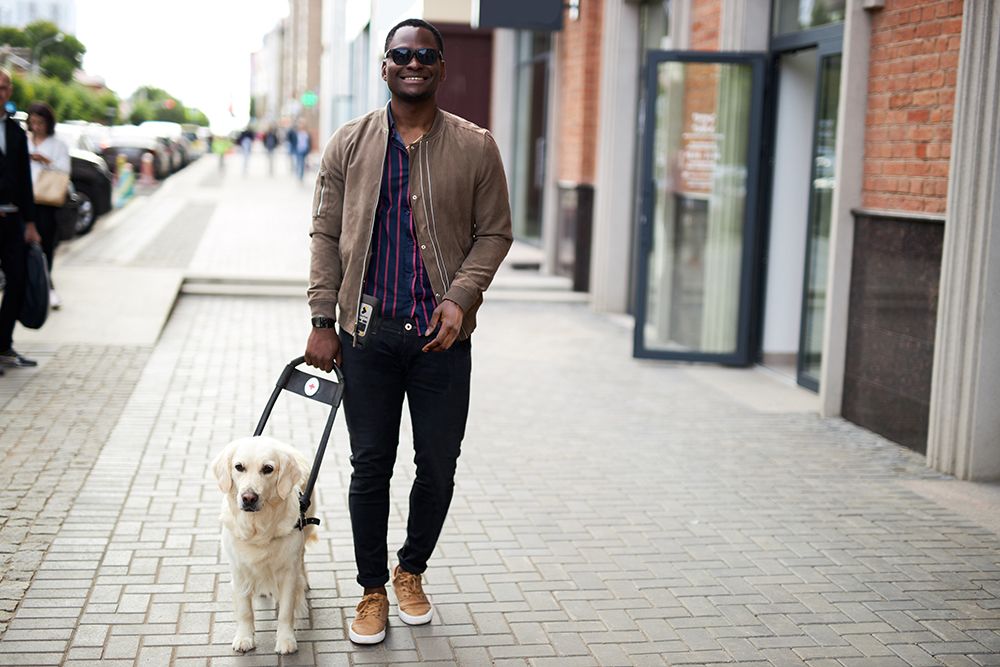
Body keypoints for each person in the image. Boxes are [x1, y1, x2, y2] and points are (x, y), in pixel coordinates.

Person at [304, 18, 512, 645]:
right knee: (370, 465)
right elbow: (324, 233)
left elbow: (495, 232)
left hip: (441, 340)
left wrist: (460, 296)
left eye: (425, 55)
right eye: (401, 54)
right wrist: (322, 318)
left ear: (441, 67)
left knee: (439, 466)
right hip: (366, 335)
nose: (412, 63)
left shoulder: (477, 147)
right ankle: (370, 589)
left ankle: (410, 570)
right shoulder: (349, 142)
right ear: (385, 66)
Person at [0, 69, 40, 371]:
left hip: (14, 220)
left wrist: (30, 223)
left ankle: (4, 345)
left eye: (4, 88)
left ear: (9, 92)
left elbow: (25, 180)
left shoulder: (15, 131)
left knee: (16, 281)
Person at [27, 101, 70, 310]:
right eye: (33, 122)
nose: (36, 127)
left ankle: (47, 285)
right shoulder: (24, 140)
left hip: (46, 201)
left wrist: (46, 160)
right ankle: (29, 286)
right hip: (23, 200)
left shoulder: (58, 144)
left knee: (45, 245)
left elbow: (65, 171)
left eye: (40, 123)